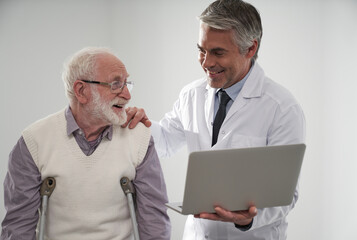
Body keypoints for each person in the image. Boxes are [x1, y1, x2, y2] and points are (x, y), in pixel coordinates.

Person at [124, 0, 306, 239]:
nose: (206, 62)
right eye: (202, 50)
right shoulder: (192, 95)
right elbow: (166, 141)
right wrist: (141, 125)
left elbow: (285, 195)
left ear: (250, 48)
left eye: (218, 52)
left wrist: (248, 219)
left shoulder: (281, 108)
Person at [1, 47, 171, 240]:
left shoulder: (139, 138)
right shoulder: (34, 141)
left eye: (126, 84)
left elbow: (154, 222)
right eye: (116, 84)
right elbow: (18, 227)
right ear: (81, 91)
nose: (127, 95)